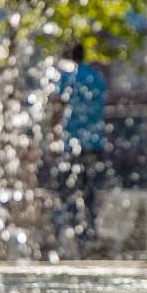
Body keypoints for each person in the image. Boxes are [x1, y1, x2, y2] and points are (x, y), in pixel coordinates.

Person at [49, 41, 108, 255]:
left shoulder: (66, 76)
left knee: (67, 193)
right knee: (89, 194)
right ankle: (89, 238)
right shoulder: (98, 79)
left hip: (70, 145)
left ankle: (67, 241)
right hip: (95, 145)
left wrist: (54, 139)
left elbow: (57, 108)